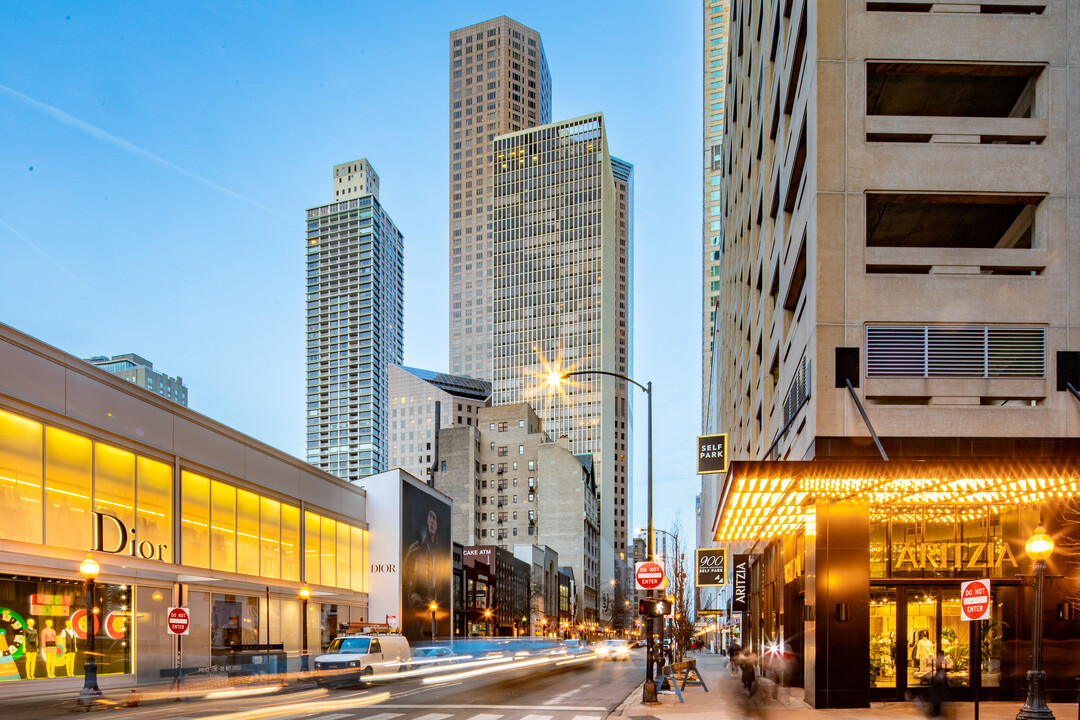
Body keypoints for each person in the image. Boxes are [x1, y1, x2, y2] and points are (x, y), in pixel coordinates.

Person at [404, 508, 440, 639]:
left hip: (430, 600)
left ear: (436, 525)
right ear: (426, 520)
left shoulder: (434, 548)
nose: (431, 520)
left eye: (434, 518)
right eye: (429, 516)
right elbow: (409, 574)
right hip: (419, 600)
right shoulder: (417, 548)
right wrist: (412, 594)